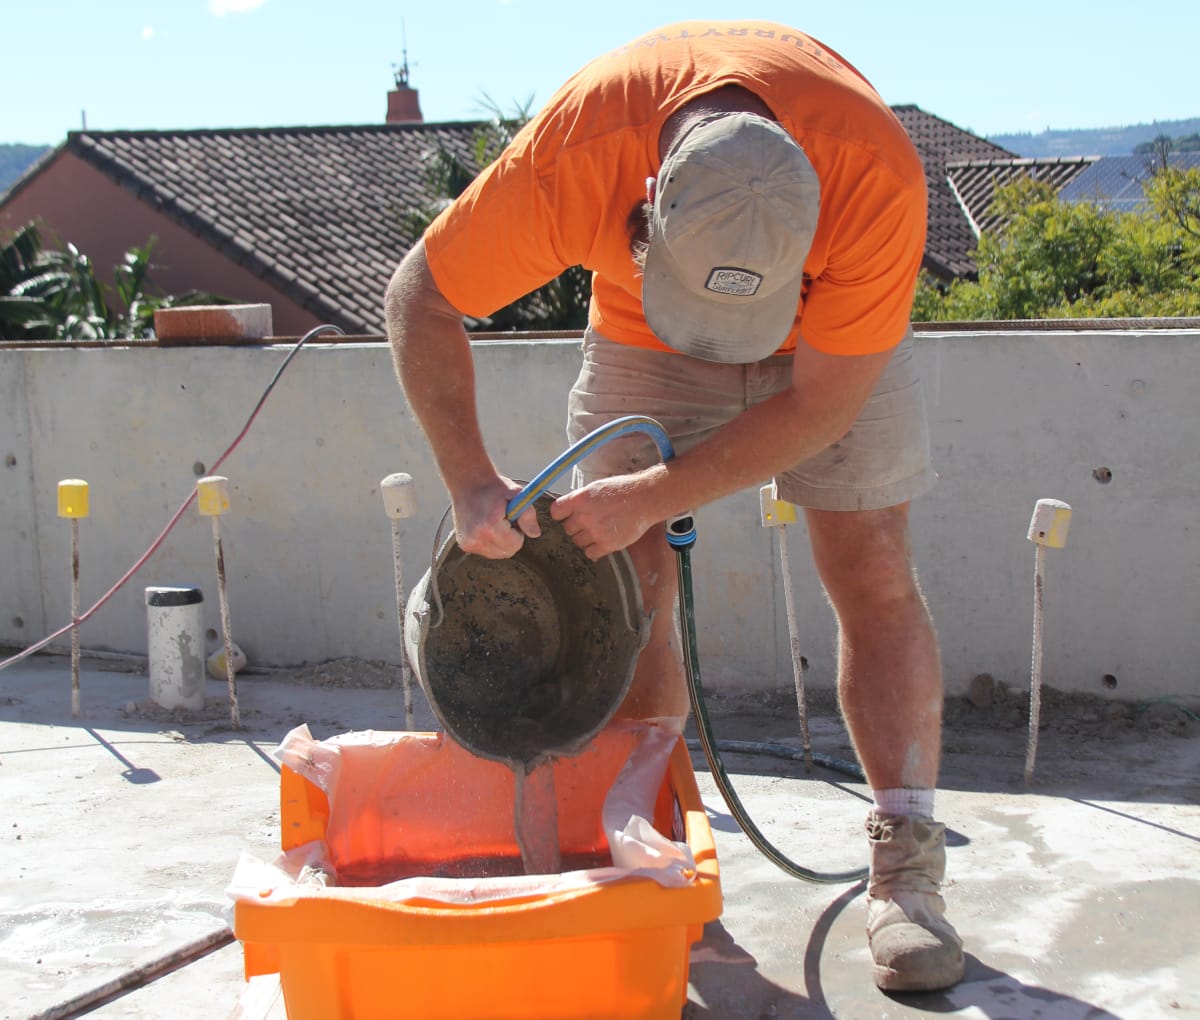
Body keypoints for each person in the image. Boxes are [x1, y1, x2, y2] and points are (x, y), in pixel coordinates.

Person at [385, 19, 963, 993]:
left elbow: (821, 407)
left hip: (829, 341)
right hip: (641, 334)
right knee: (626, 591)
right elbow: (421, 298)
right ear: (647, 201)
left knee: (870, 567)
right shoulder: (577, 154)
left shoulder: (875, 177)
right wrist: (470, 480)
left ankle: (908, 873)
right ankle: (654, 869)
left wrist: (656, 489)